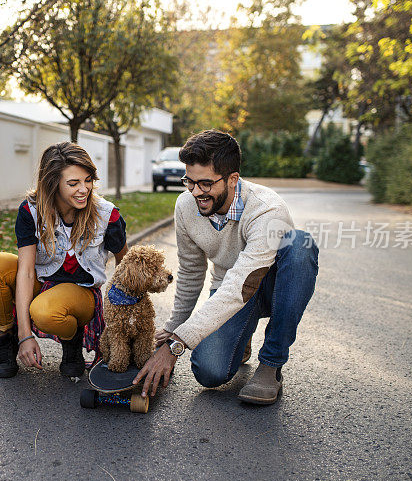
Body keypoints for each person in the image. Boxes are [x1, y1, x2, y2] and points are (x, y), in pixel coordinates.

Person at [133, 130, 319, 405]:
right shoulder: (186, 205)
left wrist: (176, 346)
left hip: (268, 286)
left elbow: (242, 283)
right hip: (228, 290)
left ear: (232, 179)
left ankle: (271, 364)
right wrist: (175, 327)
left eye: (205, 183)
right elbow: (191, 270)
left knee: (300, 244)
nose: (196, 192)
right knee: (209, 373)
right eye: (190, 182)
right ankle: (241, 339)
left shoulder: (267, 210)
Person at [0, 142, 128, 379]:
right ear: (52, 183)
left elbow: (125, 267)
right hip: (42, 283)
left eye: (88, 180)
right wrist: (25, 336)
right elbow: (26, 272)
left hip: (82, 294)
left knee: (45, 310)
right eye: (73, 183)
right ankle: (6, 342)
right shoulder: (31, 211)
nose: (84, 189)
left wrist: (121, 324)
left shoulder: (106, 214)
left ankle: (72, 343)